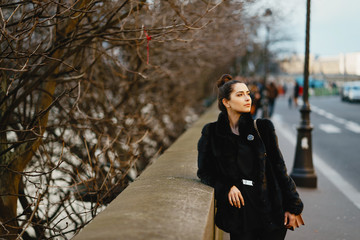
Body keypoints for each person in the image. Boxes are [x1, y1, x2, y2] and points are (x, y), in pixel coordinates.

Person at [197, 74, 303, 240]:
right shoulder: (211, 132)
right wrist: (226, 188)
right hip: (240, 218)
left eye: (247, 93)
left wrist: (293, 206)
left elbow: (279, 168)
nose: (247, 98)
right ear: (226, 102)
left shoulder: (263, 128)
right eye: (240, 95)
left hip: (272, 215)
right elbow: (204, 171)